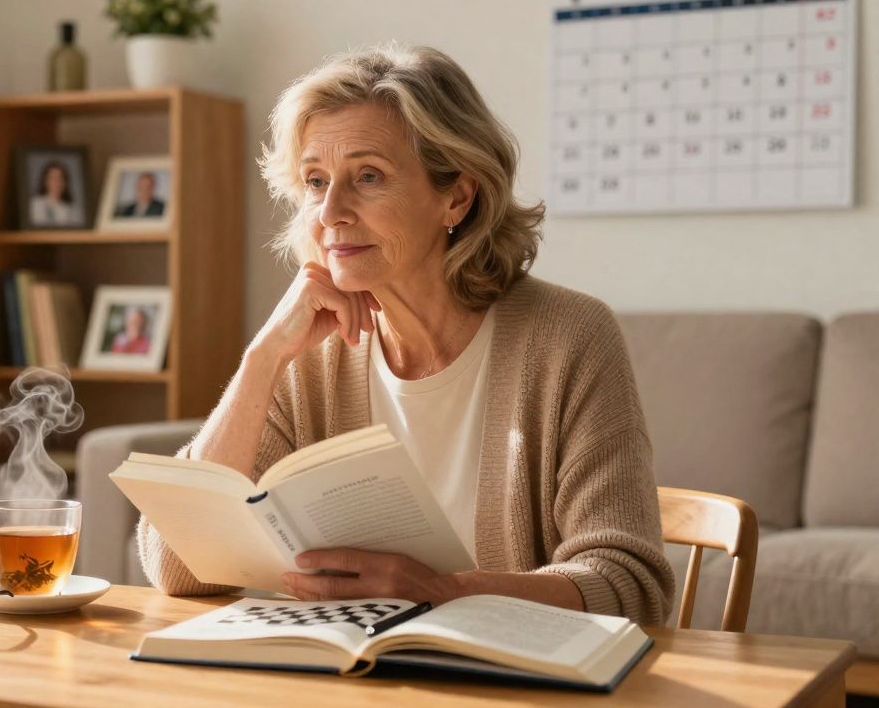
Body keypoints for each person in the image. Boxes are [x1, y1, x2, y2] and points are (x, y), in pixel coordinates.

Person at [136, 44, 675, 625]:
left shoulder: (570, 337)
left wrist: (444, 592)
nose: (331, 212)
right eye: (316, 181)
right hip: (349, 668)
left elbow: (630, 583)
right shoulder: (309, 356)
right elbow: (178, 566)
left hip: (510, 673)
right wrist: (262, 359)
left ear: (457, 197)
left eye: (368, 176)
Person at [29, 161, 79, 226]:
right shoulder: (35, 204)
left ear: (65, 182)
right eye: (52, 178)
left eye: (60, 178)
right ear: (45, 181)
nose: (56, 182)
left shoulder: (72, 210)